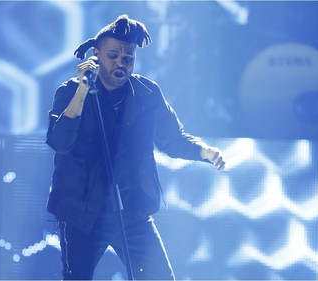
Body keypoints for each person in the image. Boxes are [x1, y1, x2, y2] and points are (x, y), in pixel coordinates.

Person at [46, 14, 225, 280]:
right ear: (96, 55)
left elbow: (174, 139)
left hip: (131, 211)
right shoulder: (69, 91)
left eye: (128, 57)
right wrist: (83, 90)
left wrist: (205, 152)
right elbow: (59, 141)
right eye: (113, 55)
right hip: (82, 214)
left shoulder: (147, 93)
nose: (121, 62)